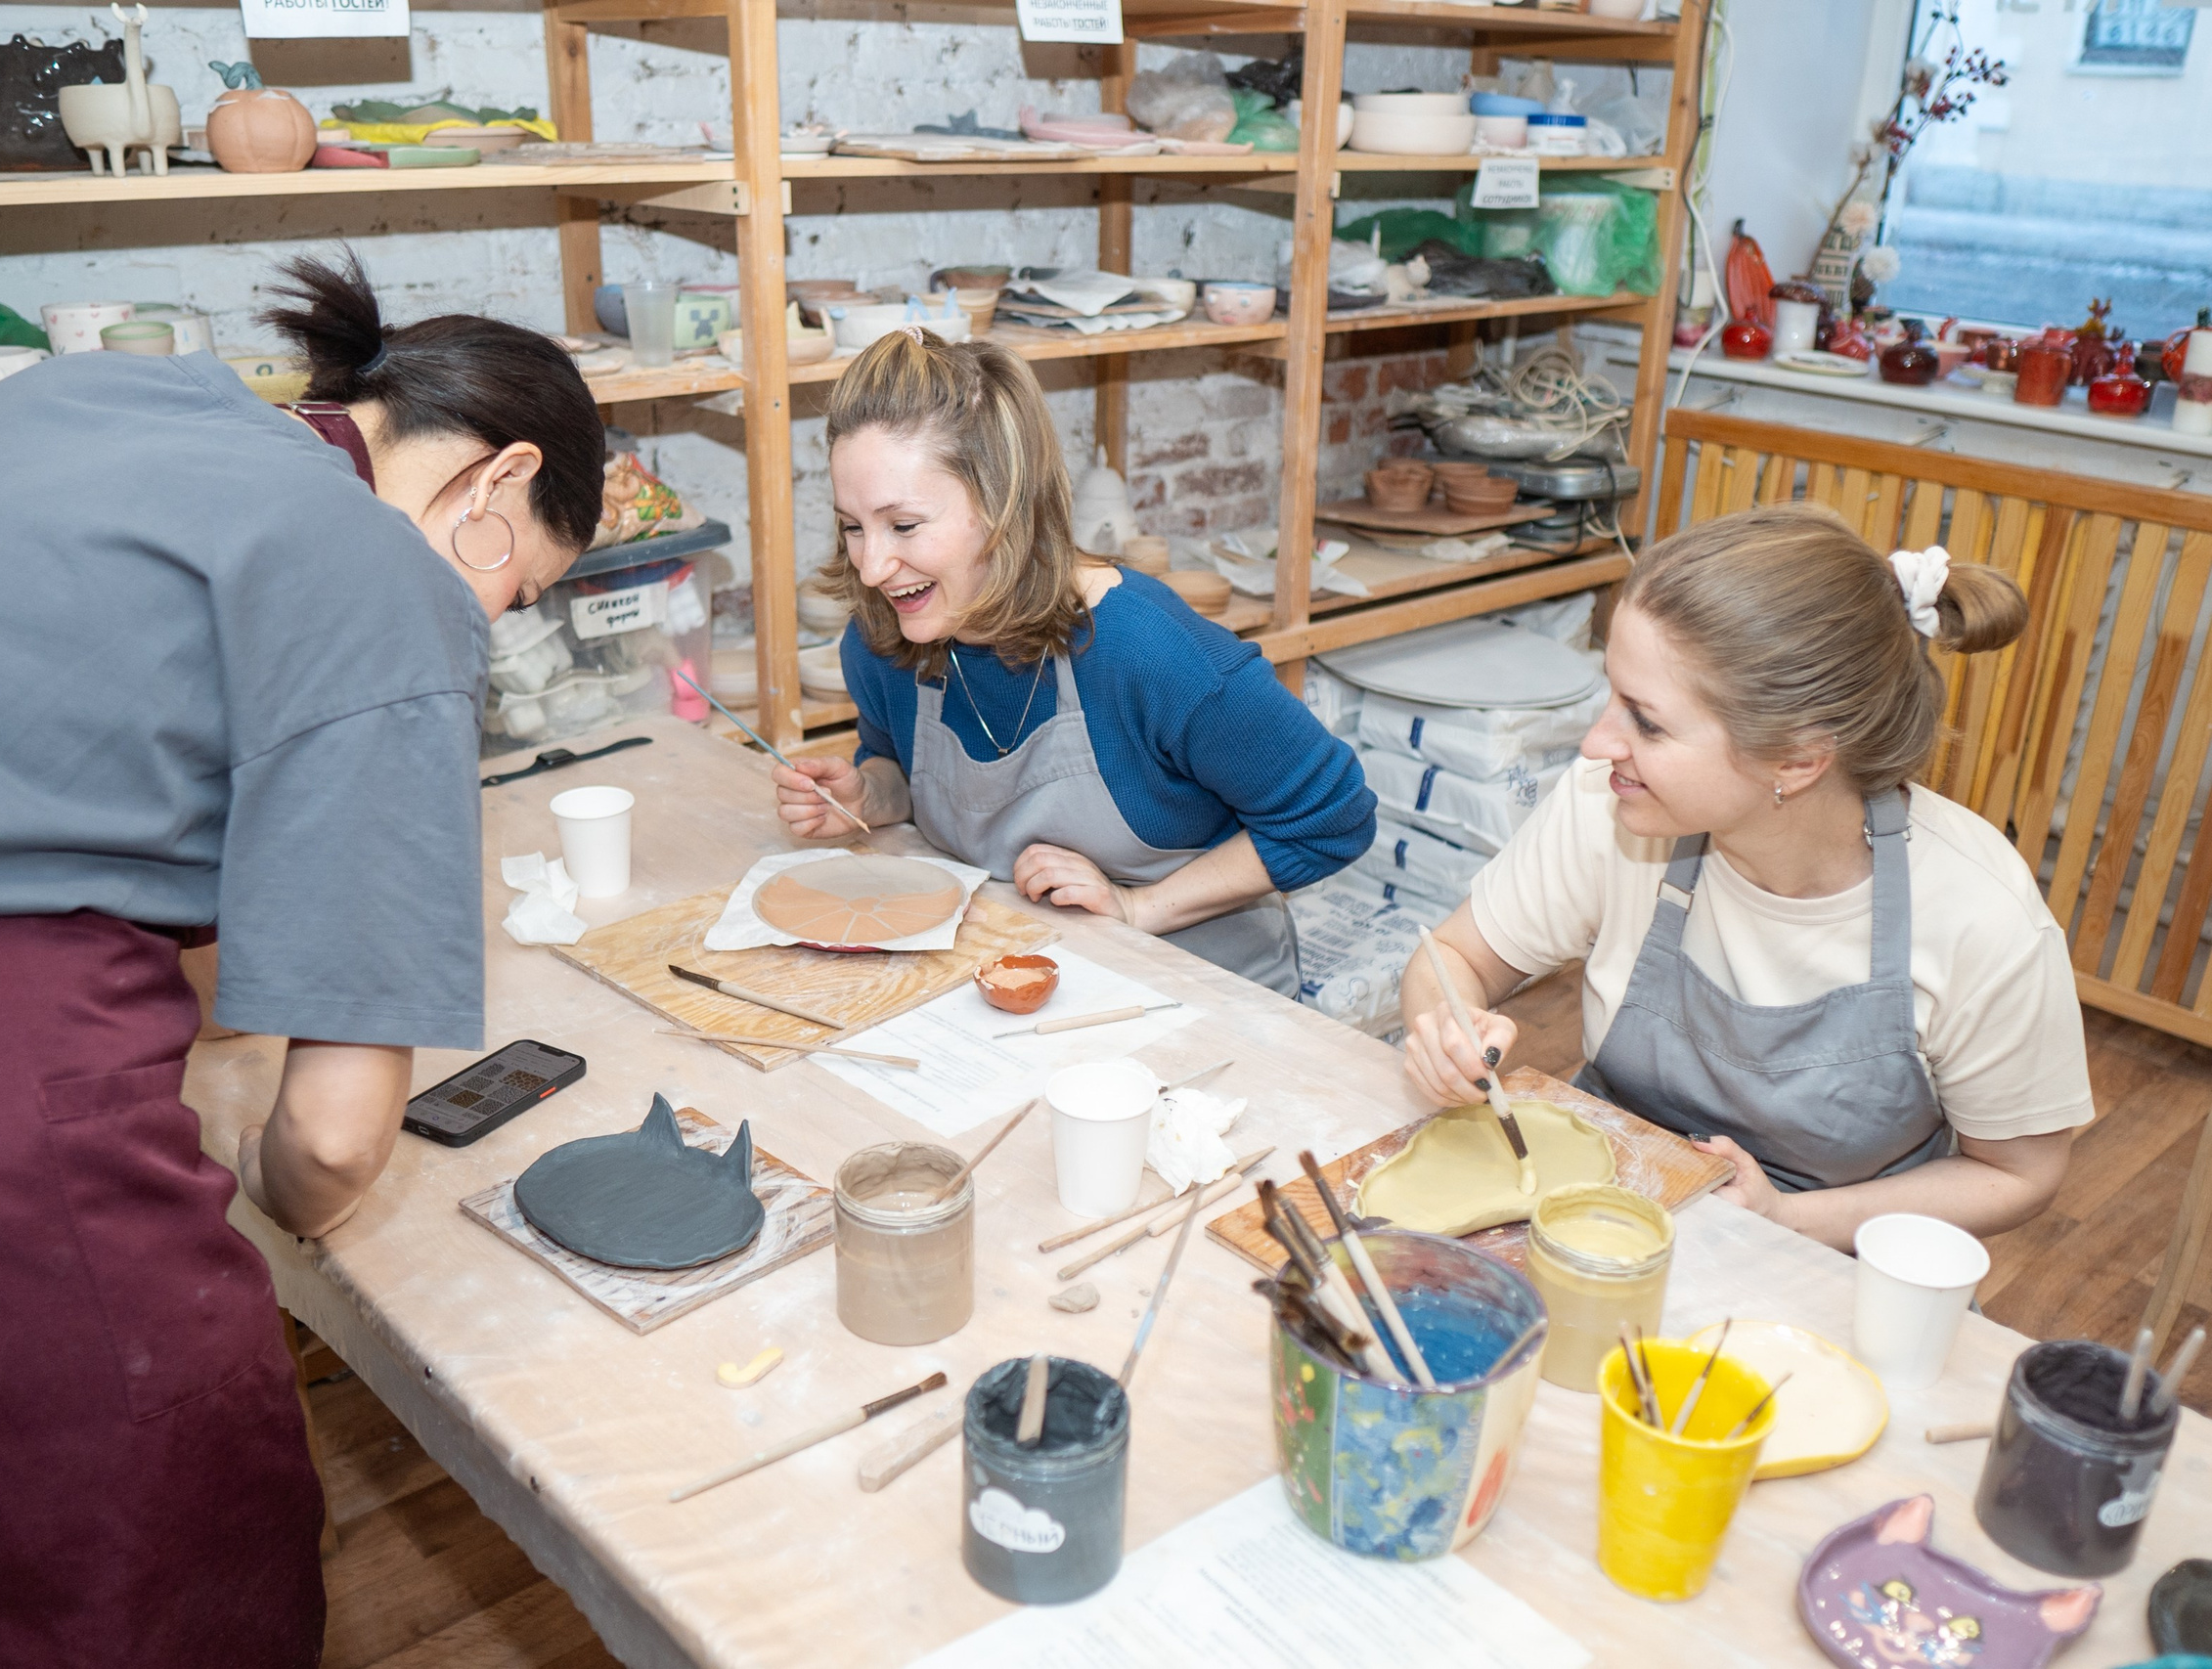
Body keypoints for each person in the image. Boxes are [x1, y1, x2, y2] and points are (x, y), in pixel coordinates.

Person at [0, 252, 602, 1666]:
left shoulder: (79, 405)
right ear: (500, 481)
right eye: (520, 590)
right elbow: (332, 1138)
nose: (489, 630)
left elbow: (39, 844)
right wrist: (265, 1187)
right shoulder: (375, 566)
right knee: (220, 1525)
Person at [1399, 504, 2092, 1252]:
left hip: (1828, 1259)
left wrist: (1785, 1218)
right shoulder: (1610, 804)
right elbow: (1456, 956)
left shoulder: (1981, 916)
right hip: (1599, 1220)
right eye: (1612, 696)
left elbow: (2019, 1173)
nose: (1598, 743)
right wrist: (1448, 1030)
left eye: (1647, 722)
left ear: (1797, 758)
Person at [771, 329, 1374, 995]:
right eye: (853, 526)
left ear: (1003, 504)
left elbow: (1333, 815)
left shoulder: (1147, 651)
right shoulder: (883, 636)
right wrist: (870, 796)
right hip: (1029, 976)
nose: (872, 566)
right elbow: (896, 763)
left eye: (905, 526)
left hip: (1206, 988)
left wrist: (1138, 908)